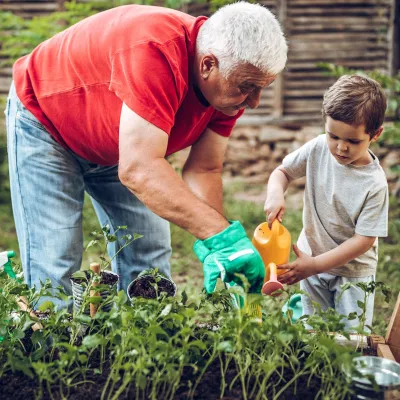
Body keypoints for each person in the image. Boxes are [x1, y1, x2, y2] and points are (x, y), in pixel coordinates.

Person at [5, 2, 288, 301]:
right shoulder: (156, 51)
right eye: (248, 87)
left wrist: (218, 245)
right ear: (207, 64)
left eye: (262, 88)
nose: (254, 102)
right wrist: (224, 237)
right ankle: (50, 348)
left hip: (124, 145)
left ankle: (140, 343)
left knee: (149, 257)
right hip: (46, 125)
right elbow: (139, 169)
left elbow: (204, 168)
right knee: (56, 259)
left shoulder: (229, 91)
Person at [264, 75, 388, 330]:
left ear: (375, 134)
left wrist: (315, 266)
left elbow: (364, 240)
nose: (341, 148)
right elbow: (283, 172)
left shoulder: (375, 184)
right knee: (314, 332)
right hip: (310, 257)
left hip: (353, 273)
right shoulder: (318, 147)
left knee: (351, 340)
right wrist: (275, 192)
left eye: (353, 141)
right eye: (334, 136)